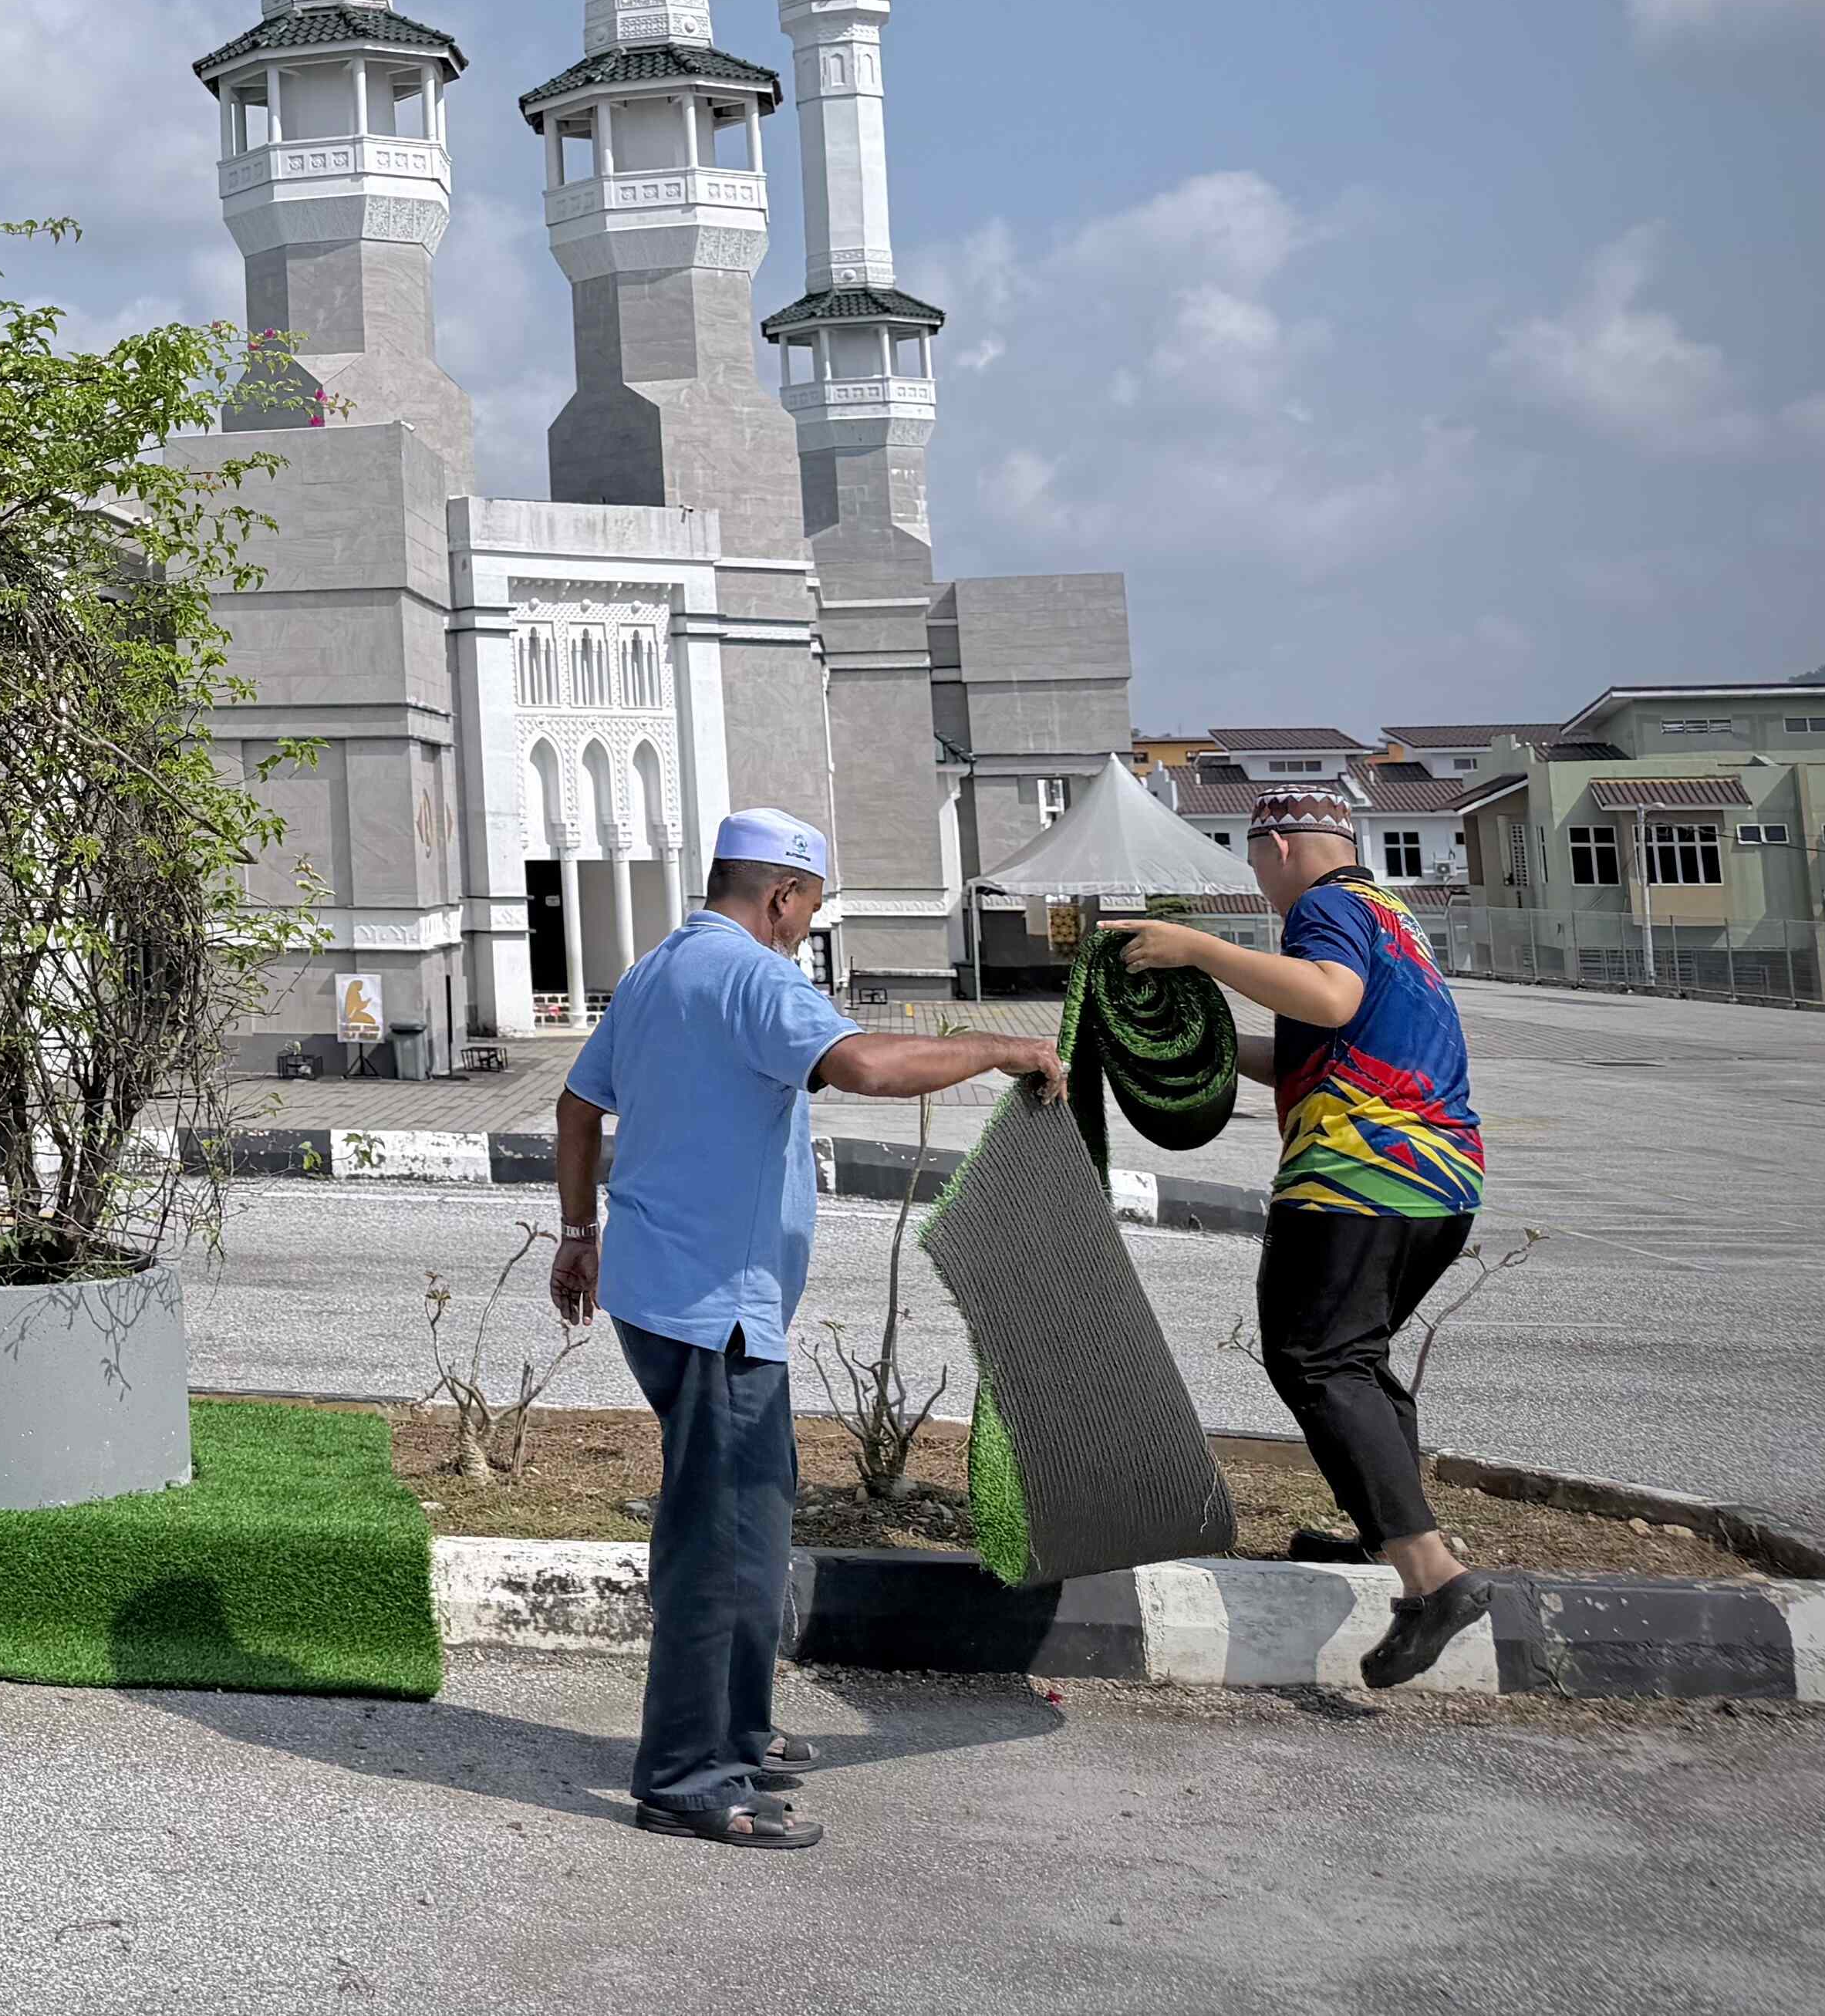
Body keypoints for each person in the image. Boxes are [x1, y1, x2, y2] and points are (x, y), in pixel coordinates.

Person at [552, 811, 1062, 1848]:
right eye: (810, 910)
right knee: (724, 1545)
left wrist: (577, 1230)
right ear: (781, 895)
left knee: (751, 1520)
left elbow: (574, 1102)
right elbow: (866, 1066)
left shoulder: (658, 969)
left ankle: (736, 1726)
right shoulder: (756, 977)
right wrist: (1000, 1049)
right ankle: (690, 1776)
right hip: (715, 1313)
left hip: (663, 1293)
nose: (806, 930)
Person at [1099, 782, 1493, 1689]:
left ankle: (1432, 1576)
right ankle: (1382, 1531)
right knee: (1356, 1359)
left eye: (1253, 862)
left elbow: (1326, 997)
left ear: (1273, 849)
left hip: (1362, 1171)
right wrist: (1199, 1038)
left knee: (1316, 1358)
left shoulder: (1325, 908)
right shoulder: (1389, 911)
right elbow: (1323, 1038)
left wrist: (1197, 947)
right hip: (1439, 1179)